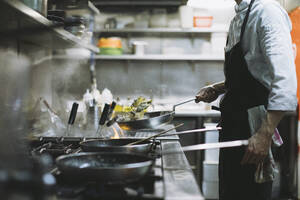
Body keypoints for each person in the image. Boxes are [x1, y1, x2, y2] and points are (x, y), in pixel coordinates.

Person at [195, 0, 298, 199]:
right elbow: (255, 73)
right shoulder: (240, 16)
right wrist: (217, 88)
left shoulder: (267, 12)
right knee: (231, 192)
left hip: (255, 131)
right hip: (234, 129)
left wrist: (264, 134)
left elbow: (285, 81)